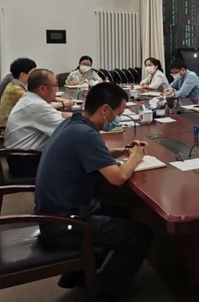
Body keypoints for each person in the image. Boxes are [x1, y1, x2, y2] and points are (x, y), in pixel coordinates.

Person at [34, 83, 153, 300]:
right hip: (64, 224)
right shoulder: (86, 135)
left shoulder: (73, 123)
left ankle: (77, 274)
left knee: (120, 212)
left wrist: (121, 152)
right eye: (118, 114)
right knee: (141, 234)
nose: (118, 119)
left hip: (52, 214)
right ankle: (105, 293)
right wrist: (135, 158)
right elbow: (118, 177)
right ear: (105, 109)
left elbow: (91, 154)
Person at [3, 70, 72, 177]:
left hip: (19, 157)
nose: (57, 89)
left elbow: (59, 115)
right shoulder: (36, 106)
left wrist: (81, 116)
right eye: (55, 85)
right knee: (76, 161)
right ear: (42, 88)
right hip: (26, 162)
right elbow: (68, 129)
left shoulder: (30, 98)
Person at [0, 57, 37, 126]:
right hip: (11, 128)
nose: (36, 76)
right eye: (33, 73)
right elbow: (37, 105)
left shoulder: (14, 85)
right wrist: (59, 104)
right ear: (22, 75)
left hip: (16, 124)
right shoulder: (15, 90)